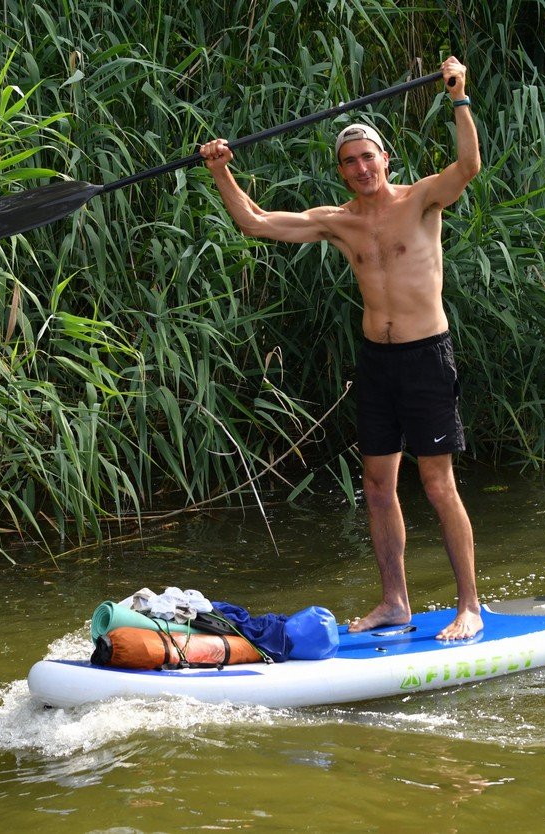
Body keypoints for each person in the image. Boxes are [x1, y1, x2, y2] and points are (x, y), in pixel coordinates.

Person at [199, 56, 483, 640]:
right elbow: (255, 223)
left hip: (427, 356)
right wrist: (221, 171)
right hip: (377, 365)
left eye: (367, 156)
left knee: (437, 485)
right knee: (377, 486)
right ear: (342, 171)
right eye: (348, 161)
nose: (359, 167)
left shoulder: (421, 200)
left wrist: (459, 98)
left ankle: (470, 605)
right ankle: (395, 602)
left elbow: (468, 165)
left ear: (386, 158)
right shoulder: (338, 222)